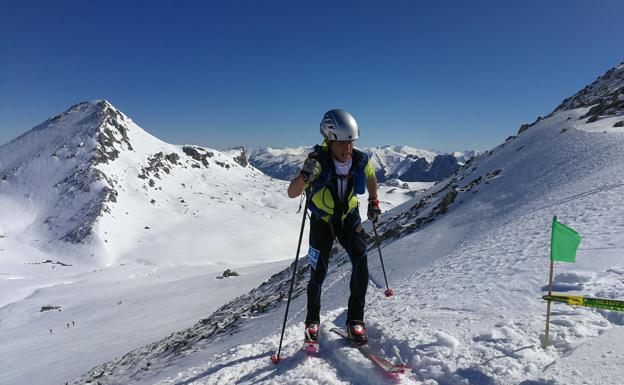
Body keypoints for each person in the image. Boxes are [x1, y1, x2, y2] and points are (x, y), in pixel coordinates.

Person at [287, 109, 381, 345]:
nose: (347, 147)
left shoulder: (360, 160)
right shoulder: (317, 163)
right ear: (328, 140)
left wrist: (373, 201)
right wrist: (304, 176)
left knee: (361, 261)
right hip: (323, 221)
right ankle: (312, 322)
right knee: (318, 271)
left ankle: (355, 321)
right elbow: (292, 193)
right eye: (341, 142)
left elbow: (370, 177)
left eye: (350, 141)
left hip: (349, 217)